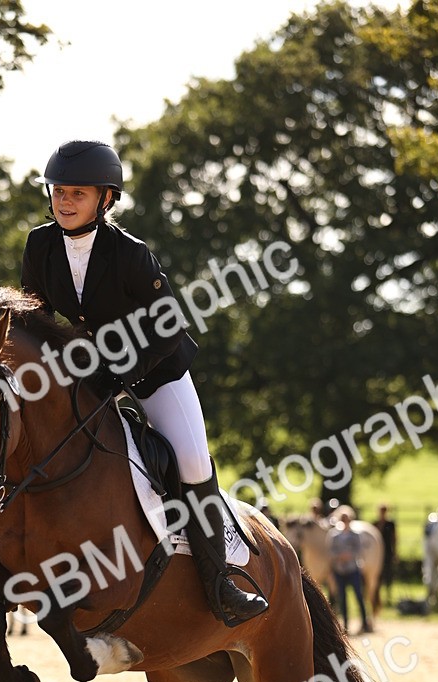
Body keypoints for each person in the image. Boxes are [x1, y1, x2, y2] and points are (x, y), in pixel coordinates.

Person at [19, 140, 267, 626]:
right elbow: (36, 315)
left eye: (78, 194)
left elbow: (166, 327)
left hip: (155, 369)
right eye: (59, 191)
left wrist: (121, 374)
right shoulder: (39, 244)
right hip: (88, 373)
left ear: (105, 200)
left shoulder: (130, 254)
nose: (65, 202)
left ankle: (221, 583)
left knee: (193, 462)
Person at [329, 510, 371, 634]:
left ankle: (365, 622)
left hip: (353, 569)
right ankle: (345, 624)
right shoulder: (334, 535)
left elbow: (359, 550)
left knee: (359, 596)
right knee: (342, 598)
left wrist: (349, 555)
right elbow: (331, 551)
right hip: (340, 570)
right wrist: (339, 556)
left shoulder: (355, 535)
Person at [375, 503, 397, 605]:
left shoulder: (390, 524)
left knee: (389, 573)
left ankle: (388, 595)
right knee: (378, 575)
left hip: (388, 552)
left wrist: (395, 552)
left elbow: (394, 538)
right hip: (377, 553)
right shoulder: (375, 523)